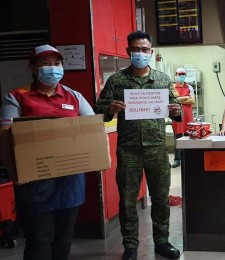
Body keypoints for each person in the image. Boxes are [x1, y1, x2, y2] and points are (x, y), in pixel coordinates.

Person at [0, 44, 95, 260]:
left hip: (70, 181)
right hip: (34, 181)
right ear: (33, 68)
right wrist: (13, 172)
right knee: (39, 239)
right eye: (45, 64)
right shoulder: (16, 97)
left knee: (64, 238)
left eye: (57, 64)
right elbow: (5, 136)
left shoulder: (74, 97)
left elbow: (92, 130)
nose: (53, 69)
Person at [94, 31, 182, 260]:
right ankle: (130, 246)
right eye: (136, 49)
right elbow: (98, 108)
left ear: (151, 52)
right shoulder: (117, 80)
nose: (140, 53)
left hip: (156, 148)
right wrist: (109, 109)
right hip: (128, 149)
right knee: (127, 200)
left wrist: (176, 111)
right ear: (128, 52)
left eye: (145, 50)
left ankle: (162, 241)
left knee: (161, 198)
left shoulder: (162, 79)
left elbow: (175, 108)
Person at [171, 67, 194, 168]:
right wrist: (186, 97)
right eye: (180, 74)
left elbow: (192, 101)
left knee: (188, 136)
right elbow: (173, 100)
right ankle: (177, 159)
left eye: (183, 74)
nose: (181, 76)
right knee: (178, 137)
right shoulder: (172, 87)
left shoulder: (189, 87)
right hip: (177, 115)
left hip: (188, 115)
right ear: (176, 75)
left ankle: (188, 158)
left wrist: (179, 99)